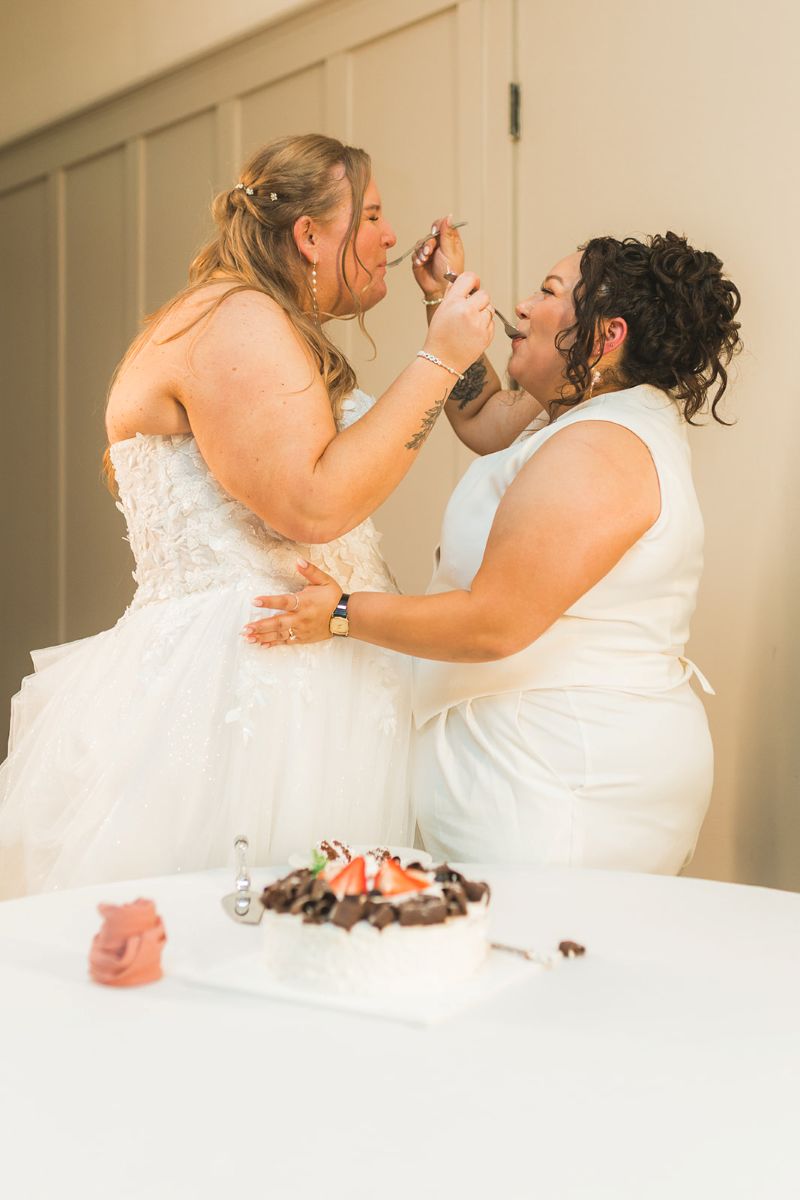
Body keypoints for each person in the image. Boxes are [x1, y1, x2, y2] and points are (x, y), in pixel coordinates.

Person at [0, 133, 493, 897]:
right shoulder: (234, 319)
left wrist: (444, 317)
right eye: (370, 215)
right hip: (243, 694)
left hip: (315, 676)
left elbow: (494, 424)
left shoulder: (262, 321)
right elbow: (312, 503)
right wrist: (437, 357)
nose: (391, 237)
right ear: (308, 235)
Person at [244, 230, 742, 875]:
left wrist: (340, 613)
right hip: (537, 751)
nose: (525, 306)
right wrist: (444, 298)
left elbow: (493, 621)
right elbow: (480, 412)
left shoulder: (598, 450)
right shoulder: (578, 414)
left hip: (562, 770)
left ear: (605, 337)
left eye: (550, 292)